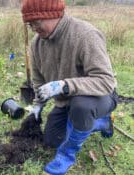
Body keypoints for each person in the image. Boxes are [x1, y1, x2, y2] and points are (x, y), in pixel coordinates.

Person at [21, 0, 118, 174]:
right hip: (65, 102)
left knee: (82, 106)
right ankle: (101, 123)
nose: (34, 28)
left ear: (52, 15)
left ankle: (67, 155)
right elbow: (38, 81)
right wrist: (37, 104)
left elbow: (105, 81)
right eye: (30, 24)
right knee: (51, 140)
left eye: (36, 22)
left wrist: (65, 85)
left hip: (99, 97)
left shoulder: (85, 35)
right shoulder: (37, 44)